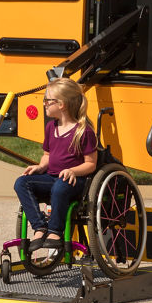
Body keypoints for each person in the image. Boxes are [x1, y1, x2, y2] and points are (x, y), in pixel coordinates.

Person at [13, 77, 98, 260]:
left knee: (60, 186)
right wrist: (40, 166)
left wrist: (73, 171)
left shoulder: (83, 131)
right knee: (21, 183)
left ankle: (55, 232)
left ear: (61, 104)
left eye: (47, 100)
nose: (44, 104)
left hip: (74, 181)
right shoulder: (51, 127)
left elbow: (91, 163)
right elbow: (47, 155)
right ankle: (40, 226)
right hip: (52, 177)